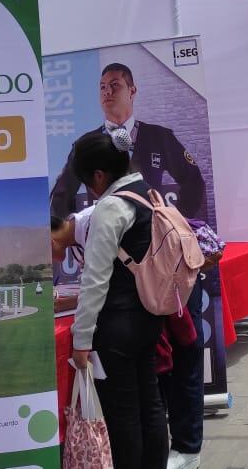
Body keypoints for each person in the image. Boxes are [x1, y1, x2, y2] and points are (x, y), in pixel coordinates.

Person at [70, 130, 167, 469]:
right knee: (151, 404)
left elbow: (95, 279)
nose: (87, 190)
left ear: (99, 175)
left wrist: (81, 340)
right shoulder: (148, 193)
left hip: (116, 327)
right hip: (149, 314)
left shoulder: (111, 207)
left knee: (123, 414)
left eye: (86, 182)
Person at [51, 63, 206, 221]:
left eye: (115, 85)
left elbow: (194, 181)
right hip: (105, 233)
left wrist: (175, 221)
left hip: (149, 233)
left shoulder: (159, 137)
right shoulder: (85, 145)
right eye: (103, 87)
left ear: (132, 91)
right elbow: (60, 196)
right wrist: (76, 231)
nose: (107, 92)